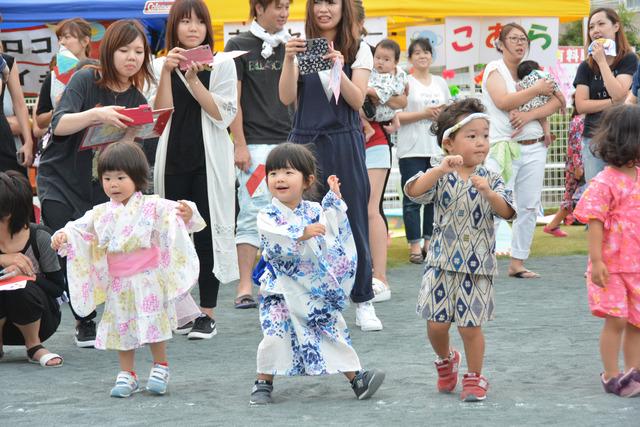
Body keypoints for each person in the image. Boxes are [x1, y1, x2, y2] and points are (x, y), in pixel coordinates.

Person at [51, 142, 206, 397]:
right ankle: (127, 373)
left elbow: (179, 214)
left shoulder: (153, 205)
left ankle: (160, 366)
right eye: (107, 178)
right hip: (119, 281)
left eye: (121, 178)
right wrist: (63, 235)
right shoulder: (100, 212)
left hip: (149, 277)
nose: (113, 184)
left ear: (137, 178)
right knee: (122, 327)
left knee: (153, 323)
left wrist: (187, 210)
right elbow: (78, 227)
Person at [37, 19, 154, 348]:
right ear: (109, 50)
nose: (131, 57)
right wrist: (98, 114)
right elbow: (58, 124)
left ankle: (108, 314)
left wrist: (133, 136)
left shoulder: (136, 95)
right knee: (70, 245)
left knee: (101, 251)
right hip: (58, 178)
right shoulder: (86, 78)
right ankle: (84, 319)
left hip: (98, 188)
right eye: (124, 49)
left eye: (138, 51)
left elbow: (129, 156)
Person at [249, 143, 385, 405]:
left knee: (329, 328)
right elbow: (273, 237)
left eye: (288, 172)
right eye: (274, 173)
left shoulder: (313, 211)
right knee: (275, 335)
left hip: (312, 289)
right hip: (279, 289)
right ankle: (263, 381)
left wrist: (333, 203)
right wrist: (300, 234)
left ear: (307, 180)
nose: (279, 178)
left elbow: (331, 234)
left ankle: (357, 378)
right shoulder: (267, 214)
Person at [279, 0, 382, 331]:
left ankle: (363, 300)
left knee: (352, 219)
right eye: (318, 2)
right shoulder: (301, 44)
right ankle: (310, 301)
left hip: (343, 139)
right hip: (303, 141)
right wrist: (289, 57)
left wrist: (338, 66)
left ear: (344, 7)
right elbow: (285, 98)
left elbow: (357, 101)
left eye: (331, 2)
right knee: (304, 223)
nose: (324, 9)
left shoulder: (358, 49)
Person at [404, 98, 515, 402]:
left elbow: (507, 212)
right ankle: (445, 359)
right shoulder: (438, 173)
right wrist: (439, 170)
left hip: (478, 267)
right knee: (437, 325)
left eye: (485, 135)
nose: (481, 142)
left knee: (470, 327)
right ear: (449, 142)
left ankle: (475, 376)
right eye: (472, 136)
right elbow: (414, 192)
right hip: (440, 262)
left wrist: (489, 194)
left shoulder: (491, 177)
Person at [151, 0, 238, 339]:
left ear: (207, 28)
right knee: (172, 237)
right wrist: (168, 72)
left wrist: (195, 79)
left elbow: (223, 115)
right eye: (184, 22)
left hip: (209, 161)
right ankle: (180, 309)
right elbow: (159, 114)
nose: (192, 28)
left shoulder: (222, 64)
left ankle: (207, 312)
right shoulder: (161, 66)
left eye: (199, 22)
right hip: (171, 160)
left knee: (207, 234)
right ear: (174, 27)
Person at [224, 0, 292, 310]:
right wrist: (238, 143)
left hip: (290, 147)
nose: (283, 13)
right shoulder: (238, 44)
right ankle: (245, 285)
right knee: (252, 214)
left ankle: (281, 281)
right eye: (277, 7)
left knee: (289, 215)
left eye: (287, 7)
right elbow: (232, 99)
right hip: (253, 146)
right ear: (259, 8)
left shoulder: (292, 45)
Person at [482, 22, 562, 279]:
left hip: (535, 146)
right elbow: (503, 101)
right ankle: (483, 259)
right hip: (503, 146)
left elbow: (558, 101)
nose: (520, 43)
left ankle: (518, 262)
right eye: (514, 39)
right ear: (500, 44)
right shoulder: (495, 69)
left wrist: (530, 115)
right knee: (495, 201)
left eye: (523, 39)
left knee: (528, 207)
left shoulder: (533, 72)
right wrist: (536, 91)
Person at [573, 104, 640, 397]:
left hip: (637, 266)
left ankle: (633, 373)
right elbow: (595, 221)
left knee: (637, 322)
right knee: (616, 320)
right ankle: (611, 375)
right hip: (611, 267)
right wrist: (597, 261)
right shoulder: (605, 182)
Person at [0, 171, 65, 367]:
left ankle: (34, 346)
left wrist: (29, 277)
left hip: (40, 317)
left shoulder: (40, 237)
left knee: (17, 285)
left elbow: (57, 288)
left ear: (8, 213)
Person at [396, 38, 449, 264]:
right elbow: (395, 116)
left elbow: (448, 111)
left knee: (434, 197)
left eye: (426, 52)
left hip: (435, 149)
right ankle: (414, 245)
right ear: (410, 58)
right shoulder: (405, 82)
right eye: (417, 53)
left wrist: (441, 114)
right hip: (411, 149)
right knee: (412, 198)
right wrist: (424, 114)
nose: (422, 56)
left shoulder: (440, 82)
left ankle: (430, 242)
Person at [574, 7, 637, 182]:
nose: (595, 30)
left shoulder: (628, 59)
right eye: (591, 26)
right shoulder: (585, 66)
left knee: (625, 192)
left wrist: (602, 62)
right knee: (595, 190)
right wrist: (613, 102)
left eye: (601, 24)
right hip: (593, 137)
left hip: (624, 136)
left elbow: (619, 93)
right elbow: (581, 105)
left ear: (616, 26)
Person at [35, 18, 92, 131]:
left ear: (85, 41)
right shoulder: (53, 77)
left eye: (67, 37)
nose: (61, 42)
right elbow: (40, 122)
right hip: (61, 144)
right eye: (60, 38)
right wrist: (58, 108)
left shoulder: (98, 72)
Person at [543, 108, 585, 236]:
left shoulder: (582, 120)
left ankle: (552, 226)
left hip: (578, 164)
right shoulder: (579, 121)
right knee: (572, 197)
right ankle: (552, 226)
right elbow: (575, 145)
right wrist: (578, 166)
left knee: (571, 197)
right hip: (577, 166)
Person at [514, 60, 566, 146]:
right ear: (538, 68)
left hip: (528, 104)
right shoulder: (547, 77)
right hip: (542, 104)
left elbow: (518, 88)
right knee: (544, 120)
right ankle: (547, 134)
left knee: (521, 115)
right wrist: (563, 106)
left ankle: (518, 129)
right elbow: (559, 95)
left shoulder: (526, 79)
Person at [0, 50, 33, 174]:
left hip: (2, 136)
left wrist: (28, 141)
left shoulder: (6, 61)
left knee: (10, 183)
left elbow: (19, 104)